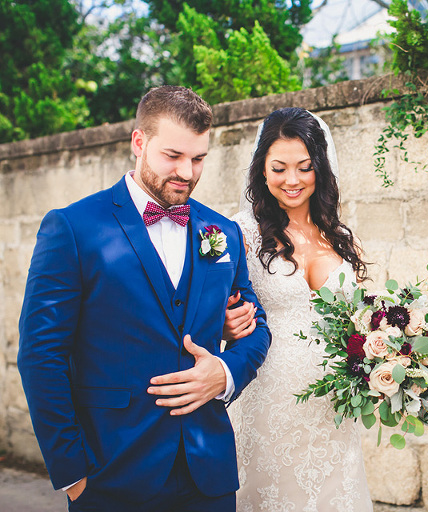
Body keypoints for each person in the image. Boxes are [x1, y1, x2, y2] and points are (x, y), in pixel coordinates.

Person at [17, 85, 272, 512]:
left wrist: (225, 372)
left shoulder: (221, 232)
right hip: (110, 476)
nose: (187, 172)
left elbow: (255, 326)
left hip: (209, 478)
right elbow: (41, 355)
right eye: (173, 156)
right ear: (139, 142)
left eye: (198, 158)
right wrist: (73, 474)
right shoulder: (73, 228)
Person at [224, 107, 373, 511]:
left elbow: (361, 322)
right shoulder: (240, 233)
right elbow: (216, 315)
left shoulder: (342, 238)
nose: (292, 180)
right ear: (262, 170)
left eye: (305, 167)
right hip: (267, 398)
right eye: (279, 168)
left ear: (320, 169)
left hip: (333, 407)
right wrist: (228, 326)